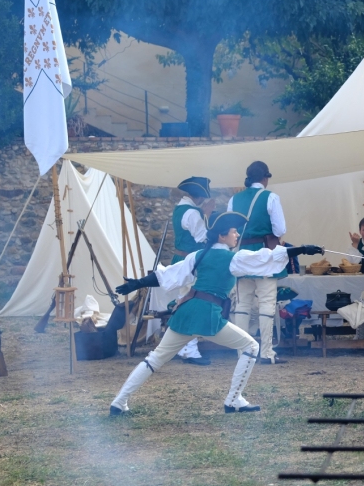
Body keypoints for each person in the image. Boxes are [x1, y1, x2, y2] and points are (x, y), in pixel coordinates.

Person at [109, 212, 323, 416]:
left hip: (186, 312)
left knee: (153, 359)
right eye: (233, 231)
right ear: (222, 235)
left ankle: (119, 402)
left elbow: (169, 275)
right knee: (251, 346)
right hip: (207, 314)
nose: (237, 235)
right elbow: (265, 258)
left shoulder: (198, 256)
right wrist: (301, 249)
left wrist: (137, 283)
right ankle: (233, 399)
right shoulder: (233, 259)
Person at [227, 161, 287, 364]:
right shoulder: (271, 197)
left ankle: (243, 351)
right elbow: (279, 230)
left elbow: (230, 230)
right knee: (267, 303)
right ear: (265, 178)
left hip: (242, 254)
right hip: (264, 255)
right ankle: (266, 352)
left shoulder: (234, 199)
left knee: (242, 303)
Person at [170, 177, 215, 365]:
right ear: (199, 197)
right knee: (192, 303)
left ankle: (181, 347)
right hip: (190, 261)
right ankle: (189, 349)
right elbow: (203, 238)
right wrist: (206, 215)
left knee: (184, 302)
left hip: (182, 259)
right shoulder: (192, 213)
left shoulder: (179, 209)